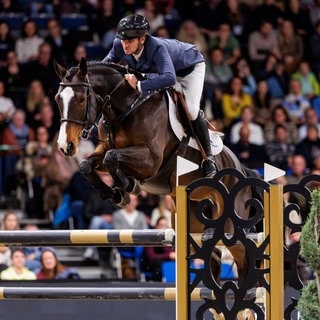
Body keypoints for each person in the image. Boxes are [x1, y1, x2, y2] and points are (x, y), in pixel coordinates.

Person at [102, 13, 217, 177]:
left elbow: (169, 78)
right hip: (162, 71)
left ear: (142, 39)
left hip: (189, 70)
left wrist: (140, 85)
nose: (125, 45)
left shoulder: (156, 48)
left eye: (129, 41)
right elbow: (105, 67)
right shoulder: (119, 45)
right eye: (123, 40)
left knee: (191, 110)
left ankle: (209, 158)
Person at [140, 216, 175, 281]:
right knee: (160, 268)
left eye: (165, 225)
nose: (163, 228)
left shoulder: (171, 239)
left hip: (166, 261)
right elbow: (151, 256)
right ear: (156, 227)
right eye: (161, 225)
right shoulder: (150, 238)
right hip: (152, 264)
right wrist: (168, 255)